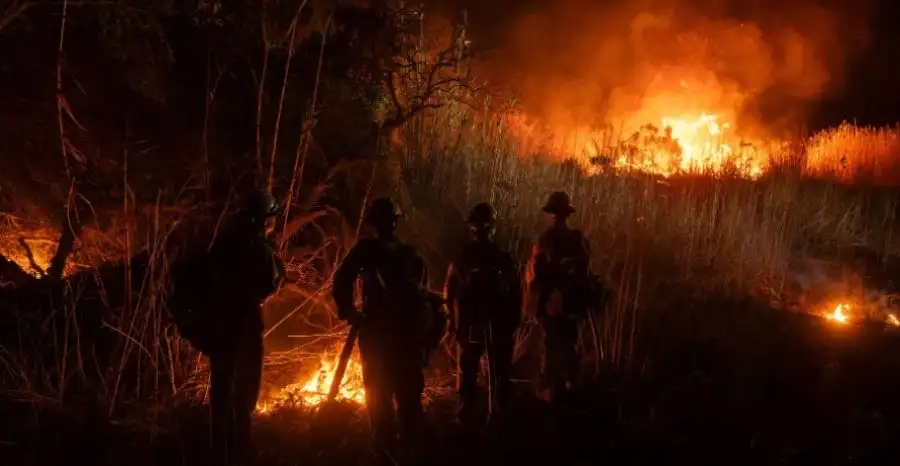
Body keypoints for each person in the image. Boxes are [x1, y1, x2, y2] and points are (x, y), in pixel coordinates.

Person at [169, 189, 285, 466]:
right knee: (244, 392)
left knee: (221, 389)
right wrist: (271, 252)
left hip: (221, 323)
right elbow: (273, 282)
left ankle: (216, 451)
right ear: (261, 220)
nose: (271, 225)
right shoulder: (257, 248)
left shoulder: (223, 242)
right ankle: (239, 452)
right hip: (243, 324)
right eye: (269, 220)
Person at [332, 197, 435, 462]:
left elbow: (342, 278)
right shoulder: (412, 255)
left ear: (375, 224)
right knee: (407, 397)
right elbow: (425, 299)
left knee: (380, 395)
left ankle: (387, 452)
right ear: (394, 222)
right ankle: (408, 452)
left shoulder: (369, 250)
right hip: (402, 338)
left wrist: (350, 312)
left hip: (379, 334)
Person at [444, 202, 522, 427]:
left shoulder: (465, 259)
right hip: (481, 327)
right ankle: (487, 417)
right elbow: (450, 293)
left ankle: (475, 418)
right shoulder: (497, 259)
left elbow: (449, 293)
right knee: (490, 375)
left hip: (482, 327)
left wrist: (452, 321)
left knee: (476, 375)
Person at [525, 191, 592, 404]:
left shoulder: (545, 240)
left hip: (550, 307)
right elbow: (585, 270)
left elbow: (535, 275)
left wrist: (534, 304)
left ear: (551, 214)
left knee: (551, 348)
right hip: (572, 306)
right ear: (567, 214)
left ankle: (548, 393)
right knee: (570, 344)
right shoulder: (578, 240)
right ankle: (571, 388)